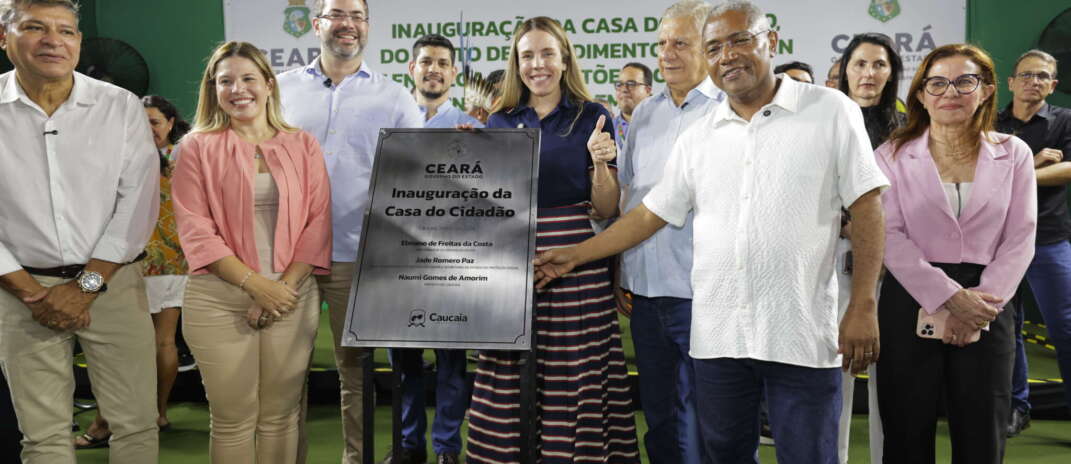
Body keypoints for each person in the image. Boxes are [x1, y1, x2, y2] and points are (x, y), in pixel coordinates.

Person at [536, 1, 888, 462]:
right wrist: (578, 254)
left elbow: (867, 205)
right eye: (715, 46)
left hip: (799, 334)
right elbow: (649, 214)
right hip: (719, 338)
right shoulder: (701, 134)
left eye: (741, 39)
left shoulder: (829, 110)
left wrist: (862, 304)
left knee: (809, 455)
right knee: (722, 453)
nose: (728, 55)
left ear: (771, 41)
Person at [465, 16, 640, 464]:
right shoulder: (501, 119)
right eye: (527, 55)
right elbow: (488, 201)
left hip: (578, 262)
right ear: (516, 63)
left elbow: (605, 209)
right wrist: (464, 157)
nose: (537, 64)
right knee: (506, 373)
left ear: (564, 60)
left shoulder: (593, 115)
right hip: (510, 263)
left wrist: (601, 166)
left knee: (576, 373)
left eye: (546, 54)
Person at [0, 1, 161, 462]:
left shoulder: (119, 106)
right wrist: (31, 292)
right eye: (35, 28)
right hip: (18, 293)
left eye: (66, 31)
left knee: (135, 426)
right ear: (3, 37)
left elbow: (138, 204)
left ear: (79, 42)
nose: (54, 40)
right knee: (43, 435)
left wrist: (86, 286)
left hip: (113, 285)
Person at [276, 0, 423, 462]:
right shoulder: (278, 91)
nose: (348, 24)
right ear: (317, 24)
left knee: (354, 372)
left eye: (357, 16)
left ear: (368, 26)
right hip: (284, 258)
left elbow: (417, 178)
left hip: (357, 255)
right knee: (285, 372)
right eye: (337, 14)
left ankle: (355, 459)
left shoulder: (395, 97)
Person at [171, 41, 332, 463]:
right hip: (218, 300)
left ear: (268, 84)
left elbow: (317, 225)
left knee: (280, 416)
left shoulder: (303, 144)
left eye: (247, 79)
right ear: (213, 89)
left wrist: (282, 290)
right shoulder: (194, 147)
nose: (237, 89)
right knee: (233, 419)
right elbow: (196, 231)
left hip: (291, 296)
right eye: (226, 81)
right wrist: (256, 286)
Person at [875, 43, 1036, 463]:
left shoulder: (1014, 153)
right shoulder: (890, 155)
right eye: (937, 82)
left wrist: (978, 305)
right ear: (921, 94)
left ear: (985, 90)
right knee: (906, 427)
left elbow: (1021, 236)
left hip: (989, 303)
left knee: (982, 429)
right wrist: (949, 297)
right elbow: (887, 234)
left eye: (965, 81)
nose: (951, 91)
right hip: (909, 299)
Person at [616, 1, 723, 462]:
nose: (668, 54)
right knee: (659, 414)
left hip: (707, 292)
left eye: (681, 42)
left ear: (709, 47)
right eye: (662, 43)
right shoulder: (644, 115)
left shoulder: (729, 110)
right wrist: (622, 268)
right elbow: (629, 198)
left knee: (710, 418)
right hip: (645, 291)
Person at [74, 95, 194, 450]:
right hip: (149, 263)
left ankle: (107, 422)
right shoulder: (173, 157)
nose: (147, 130)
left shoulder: (170, 160)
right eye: (140, 123)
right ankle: (153, 414)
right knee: (157, 342)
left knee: (145, 345)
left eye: (154, 122)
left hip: (149, 262)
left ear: (171, 123)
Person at [387, 32, 481, 464]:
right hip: (397, 264)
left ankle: (446, 448)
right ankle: (409, 445)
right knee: (404, 362)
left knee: (451, 363)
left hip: (451, 267)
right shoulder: (390, 125)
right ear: (412, 68)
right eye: (426, 61)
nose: (434, 69)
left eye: (443, 62)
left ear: (454, 73)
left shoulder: (474, 130)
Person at [832, 31, 904, 464]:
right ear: (845, 70)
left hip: (895, 272)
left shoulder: (908, 129)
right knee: (832, 383)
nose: (868, 73)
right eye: (860, 63)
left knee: (891, 387)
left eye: (879, 65)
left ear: (892, 73)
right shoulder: (825, 122)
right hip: (833, 270)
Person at [997, 49, 1071, 437]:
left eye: (1042, 76)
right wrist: (1032, 160)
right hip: (998, 244)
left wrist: (1020, 169)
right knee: (1006, 328)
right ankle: (1016, 407)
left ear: (1053, 85)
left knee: (1065, 327)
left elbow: (1069, 169)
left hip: (1049, 240)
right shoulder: (991, 122)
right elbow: (977, 172)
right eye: (1026, 75)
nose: (1034, 82)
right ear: (1011, 82)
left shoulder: (1065, 121)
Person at [613, 61, 653, 148]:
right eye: (619, 84)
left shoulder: (662, 124)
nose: (624, 89)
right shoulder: (607, 129)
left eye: (631, 84)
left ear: (648, 90)